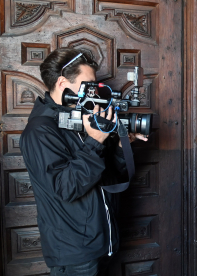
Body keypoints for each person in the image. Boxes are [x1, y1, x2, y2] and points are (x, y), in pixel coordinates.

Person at [20, 48, 147, 276]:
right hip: (75, 255)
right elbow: (66, 188)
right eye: (88, 85)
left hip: (103, 245)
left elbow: (107, 176)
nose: (95, 91)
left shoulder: (81, 119)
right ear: (62, 83)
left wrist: (120, 146)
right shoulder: (40, 131)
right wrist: (95, 141)